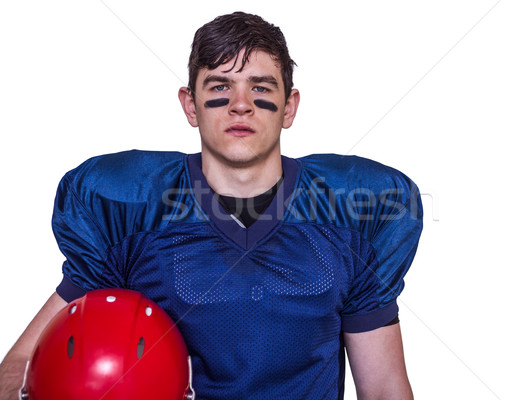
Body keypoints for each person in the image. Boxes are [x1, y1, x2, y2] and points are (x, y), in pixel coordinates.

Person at [0, 11, 422, 400]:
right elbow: (18, 367)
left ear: (289, 107)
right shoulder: (132, 211)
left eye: (260, 87)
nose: (242, 104)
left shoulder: (348, 215)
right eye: (221, 85)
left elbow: (384, 386)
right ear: (190, 105)